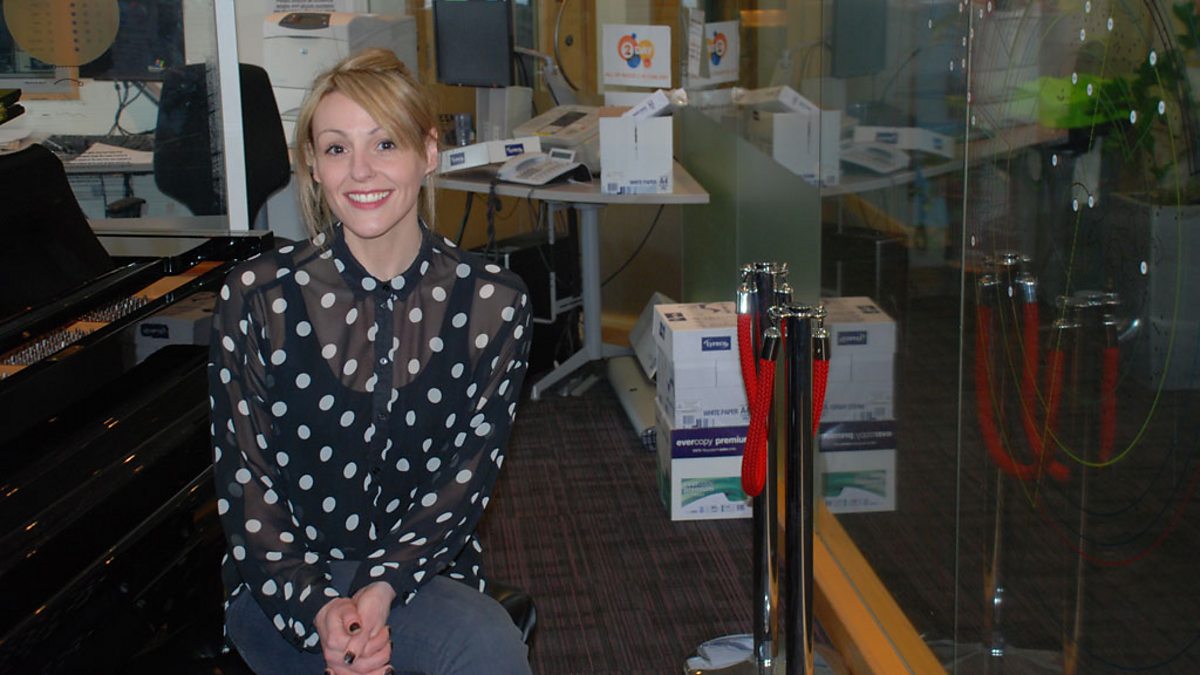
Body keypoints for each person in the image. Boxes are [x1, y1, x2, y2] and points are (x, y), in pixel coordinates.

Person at [208, 47, 533, 675]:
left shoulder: (495, 302)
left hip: (422, 574)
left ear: (428, 152)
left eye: (385, 144)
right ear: (312, 164)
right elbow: (246, 486)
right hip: (281, 585)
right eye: (337, 148)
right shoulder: (257, 296)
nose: (361, 171)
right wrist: (319, 608)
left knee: (487, 647)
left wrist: (381, 589)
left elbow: (464, 485)